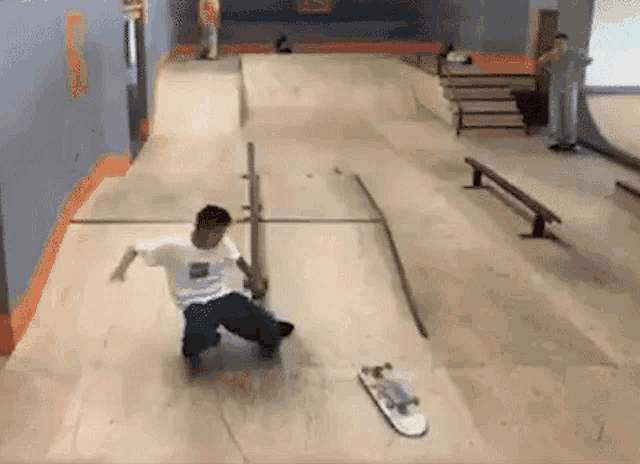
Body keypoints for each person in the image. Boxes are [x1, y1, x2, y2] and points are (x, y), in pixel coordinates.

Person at [110, 205, 295, 374]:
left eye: (223, 233)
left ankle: (270, 328)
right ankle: (198, 345)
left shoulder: (223, 243)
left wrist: (255, 280)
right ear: (201, 229)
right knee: (199, 336)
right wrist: (120, 269)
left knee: (266, 327)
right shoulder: (173, 246)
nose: (222, 238)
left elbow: (240, 262)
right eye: (217, 233)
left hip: (221, 295)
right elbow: (133, 248)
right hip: (193, 301)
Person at [538, 33, 593, 152]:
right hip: (557, 85)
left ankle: (570, 141)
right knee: (556, 112)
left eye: (561, 41)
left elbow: (587, 61)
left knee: (569, 112)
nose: (559, 44)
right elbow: (541, 61)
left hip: (569, 86)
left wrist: (577, 68)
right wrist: (551, 70)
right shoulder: (553, 54)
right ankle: (558, 140)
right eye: (557, 42)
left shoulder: (572, 52)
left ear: (565, 41)